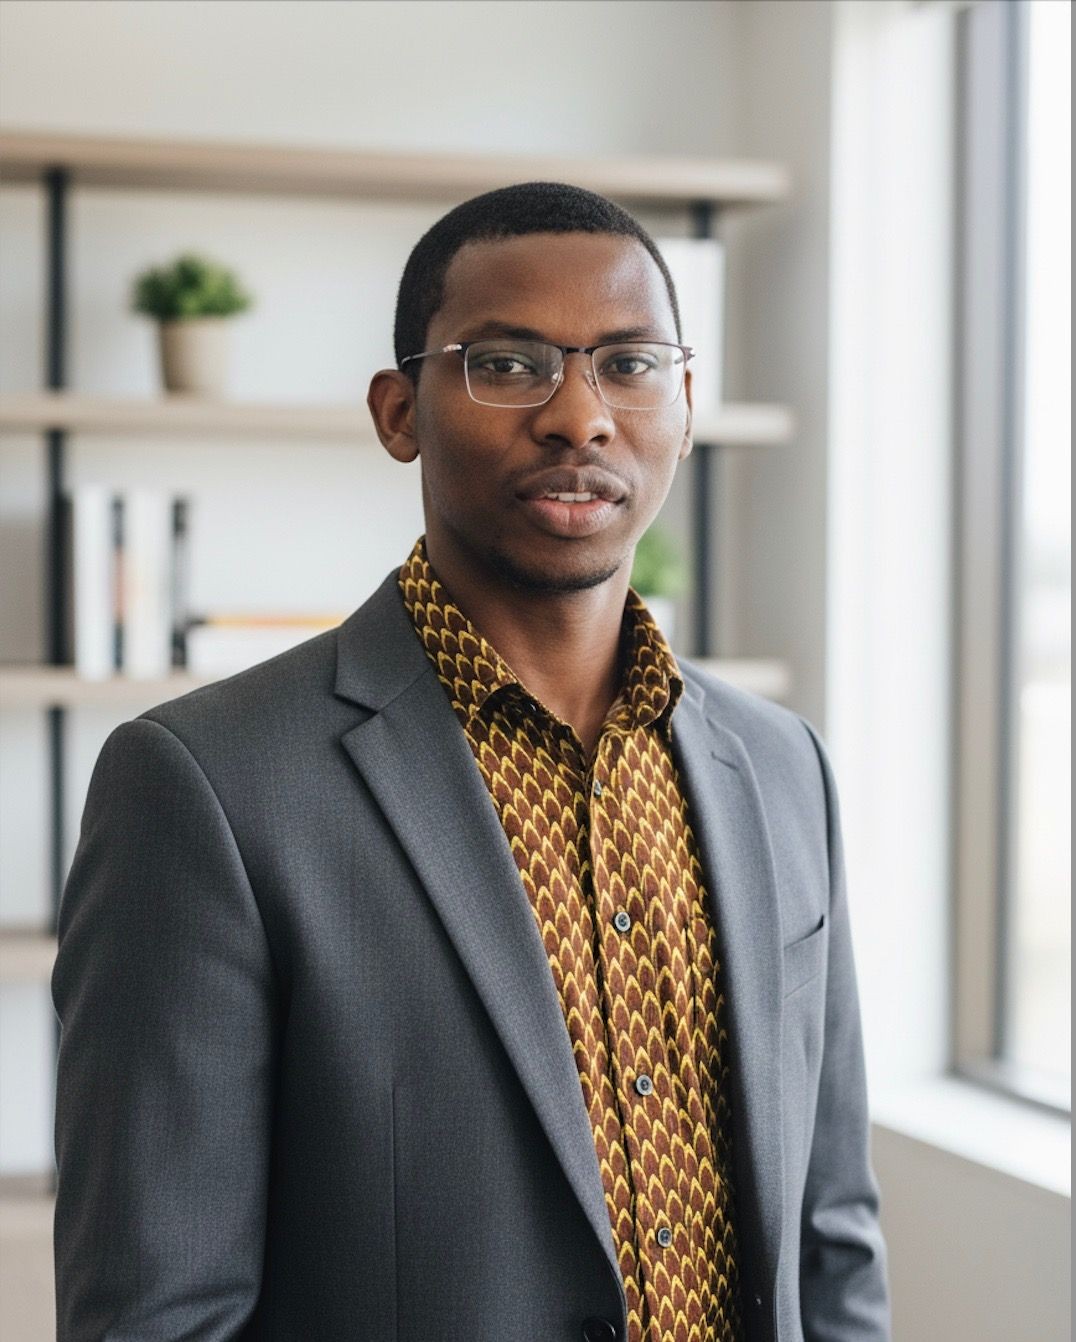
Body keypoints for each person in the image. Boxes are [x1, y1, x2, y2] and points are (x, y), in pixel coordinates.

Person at [51, 181, 891, 1342]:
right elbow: (154, 1310)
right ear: (400, 412)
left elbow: (830, 1238)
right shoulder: (207, 786)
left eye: (630, 364)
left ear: (685, 406)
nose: (579, 417)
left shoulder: (782, 766)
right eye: (506, 365)